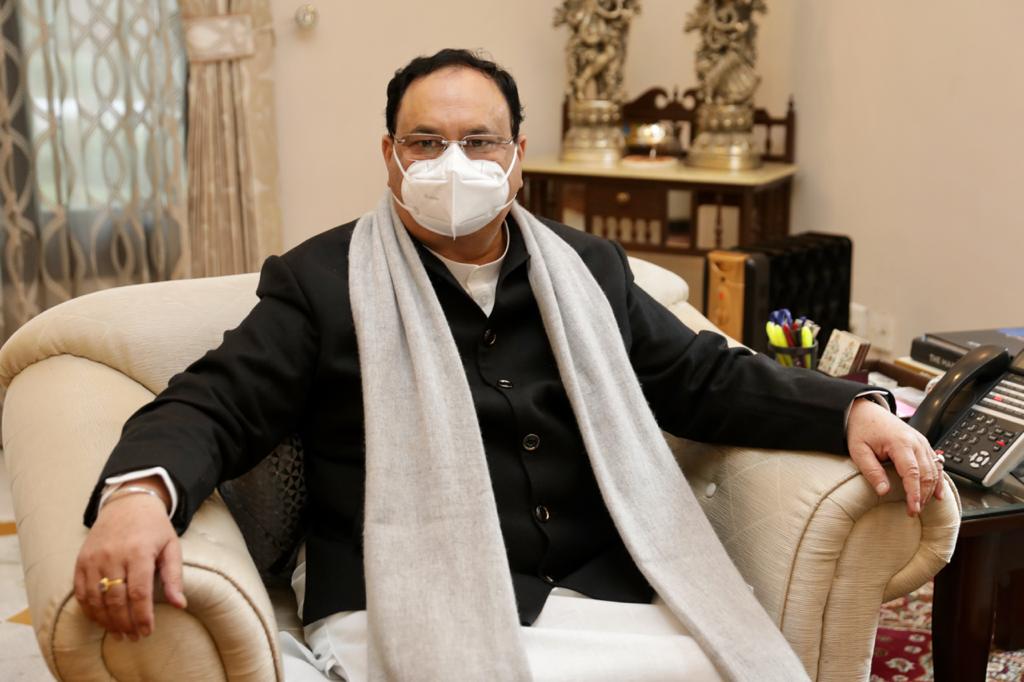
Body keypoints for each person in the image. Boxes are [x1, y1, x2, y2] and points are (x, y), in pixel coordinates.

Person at [74, 49, 944, 681]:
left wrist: (849, 409)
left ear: (518, 158)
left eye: (479, 141)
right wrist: (139, 494)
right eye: (425, 141)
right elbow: (215, 402)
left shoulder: (588, 267)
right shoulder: (320, 280)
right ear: (389, 158)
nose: (454, 163)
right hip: (400, 598)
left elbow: (703, 377)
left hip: (598, 597)